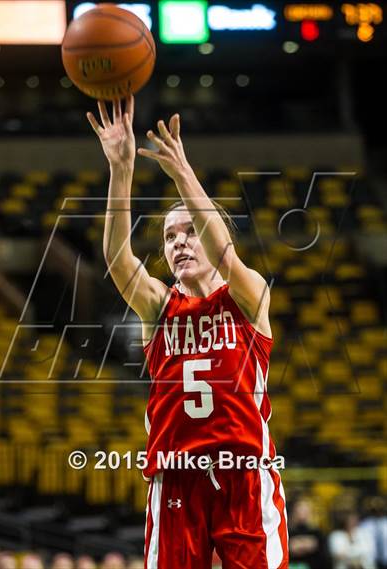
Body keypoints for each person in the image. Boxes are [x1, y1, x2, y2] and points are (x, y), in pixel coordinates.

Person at [87, 96, 289, 569]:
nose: (178, 242)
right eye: (169, 237)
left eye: (188, 231)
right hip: (176, 477)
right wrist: (121, 169)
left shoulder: (247, 295)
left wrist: (182, 173)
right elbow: (118, 261)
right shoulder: (160, 306)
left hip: (244, 474)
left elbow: (225, 257)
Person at [288, 497, 330, 569]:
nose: (302, 514)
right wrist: (307, 545)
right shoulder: (288, 532)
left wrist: (299, 545)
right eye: (299, 511)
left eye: (305, 511)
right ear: (294, 513)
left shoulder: (318, 532)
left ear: (310, 513)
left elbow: (324, 555)